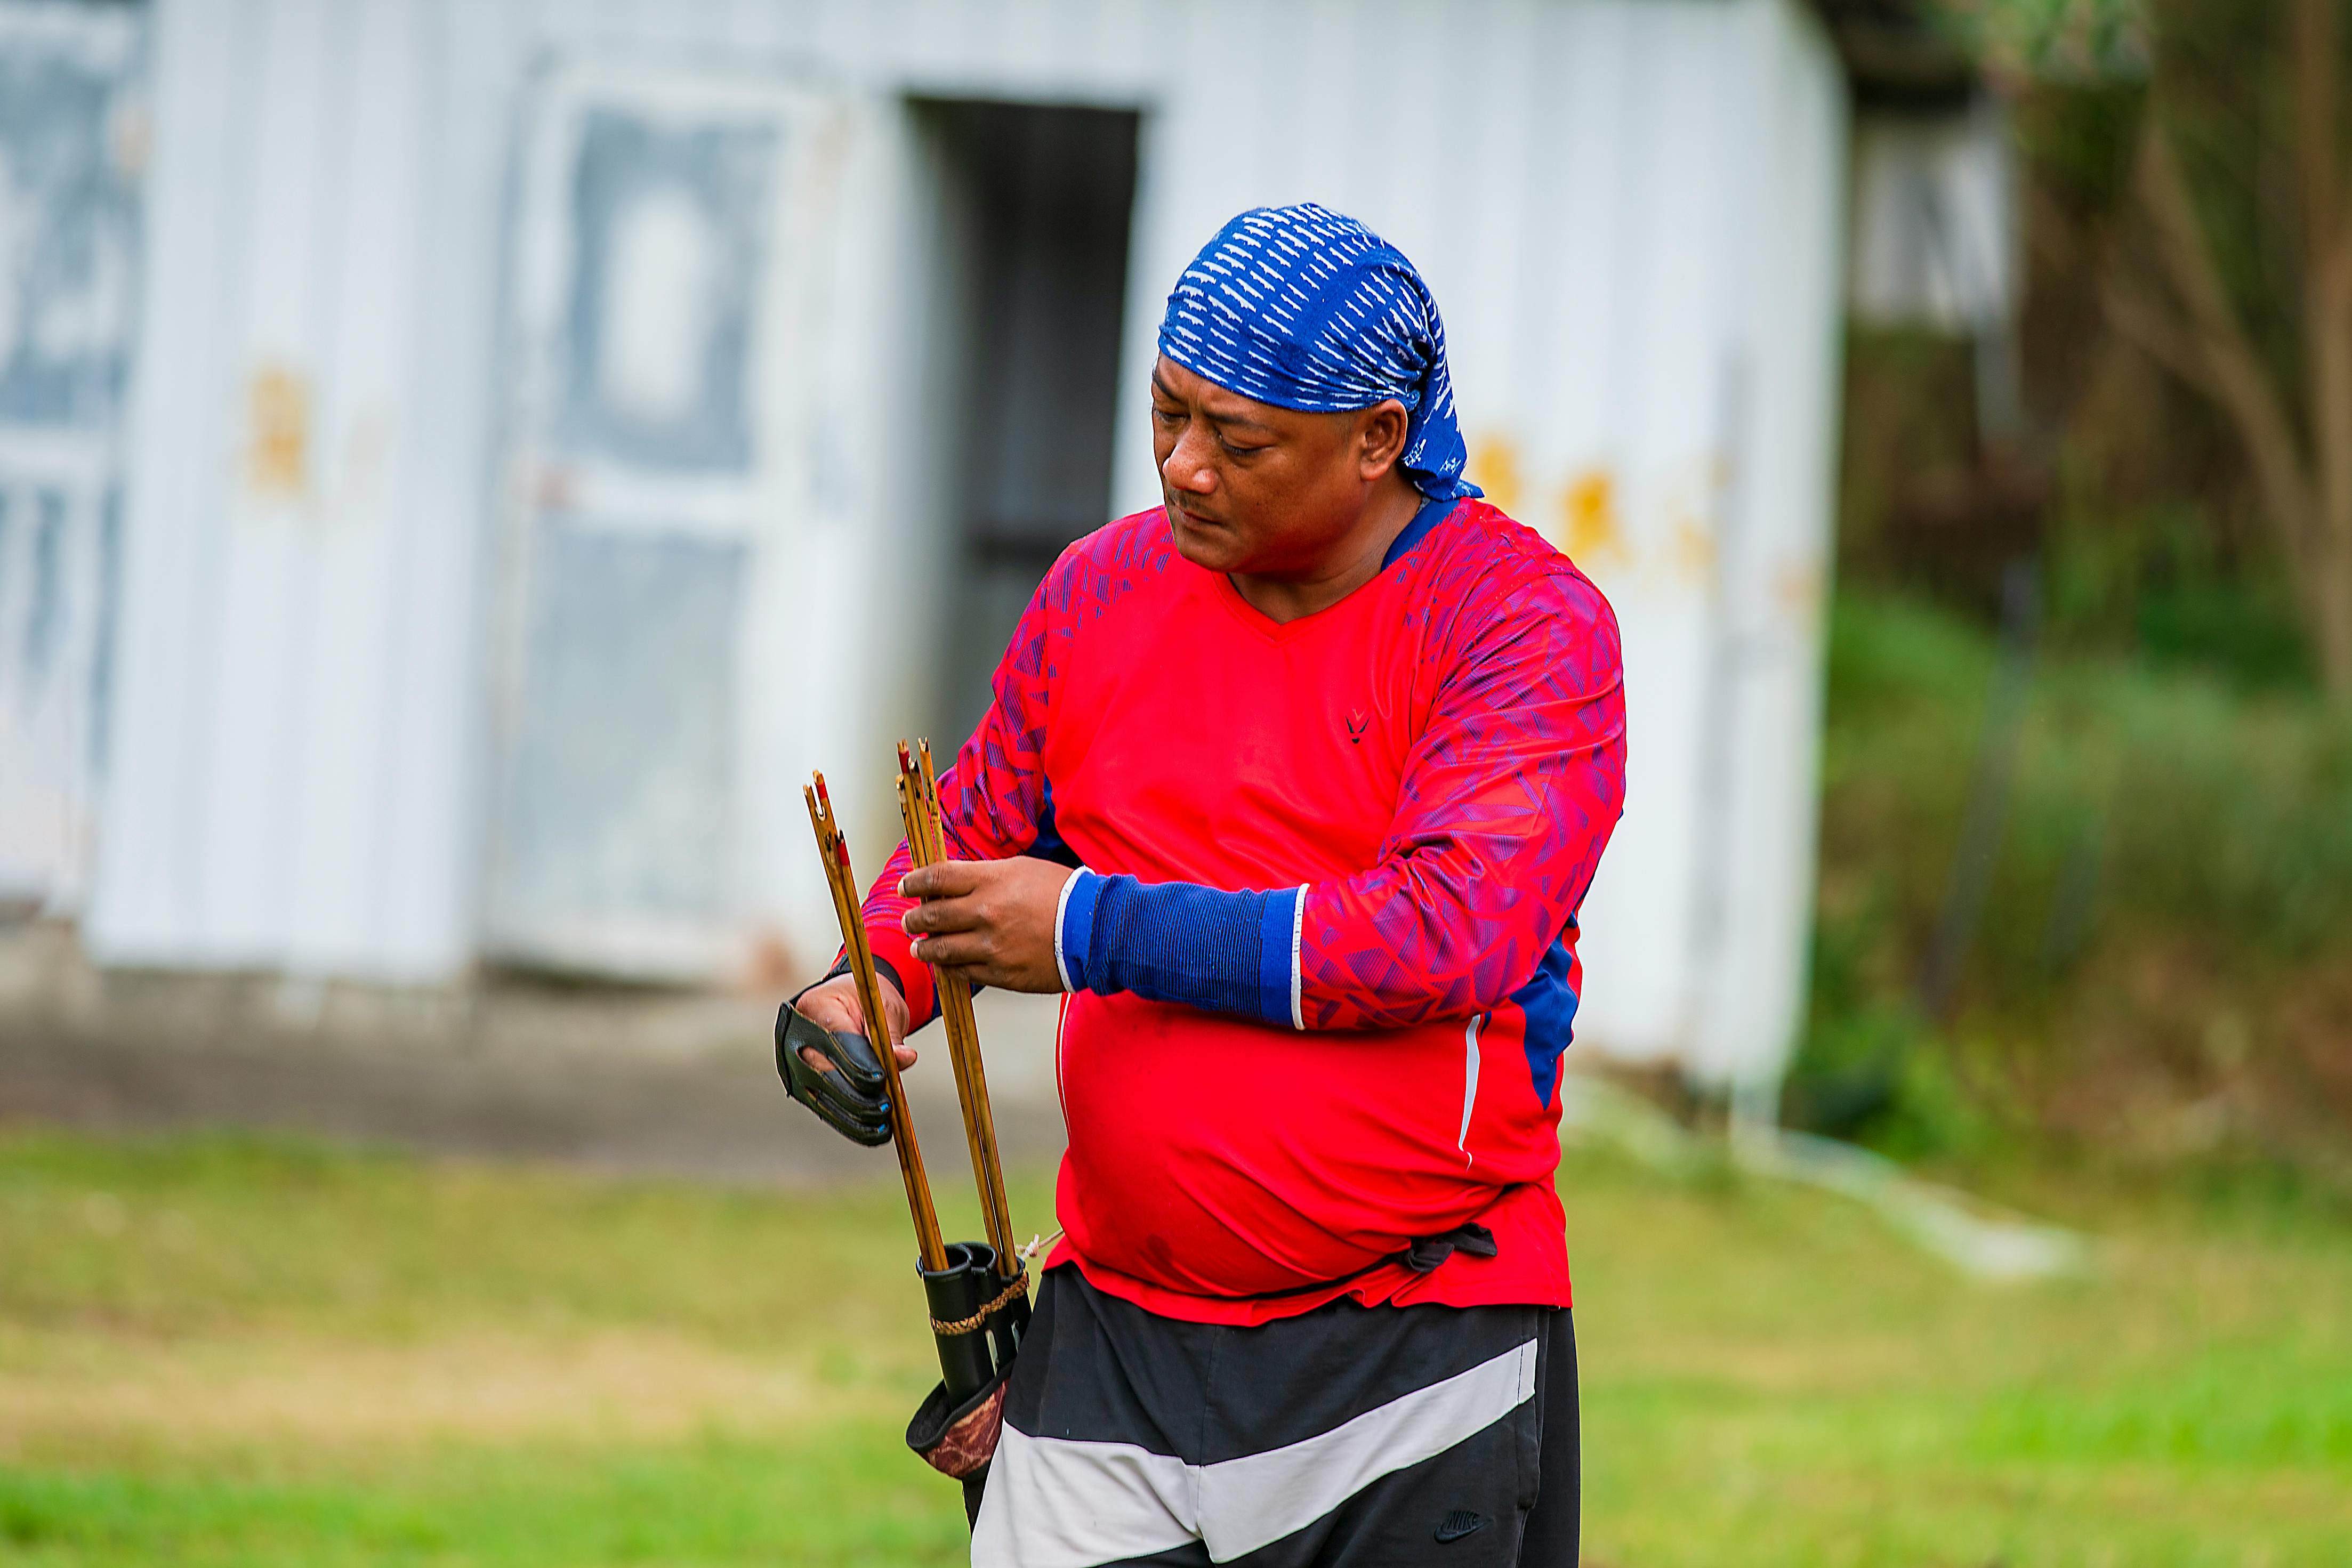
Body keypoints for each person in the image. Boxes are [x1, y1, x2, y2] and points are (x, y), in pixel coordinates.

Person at [794, 202, 1626, 1566]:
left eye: (1236, 439)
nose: (1183, 466)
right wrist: (864, 983)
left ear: (1376, 439)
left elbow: (1445, 938)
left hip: (1409, 1355)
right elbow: (973, 834)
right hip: (1113, 1342)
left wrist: (1083, 925)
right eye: (1166, 415)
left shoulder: (1516, 625)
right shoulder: (1098, 592)